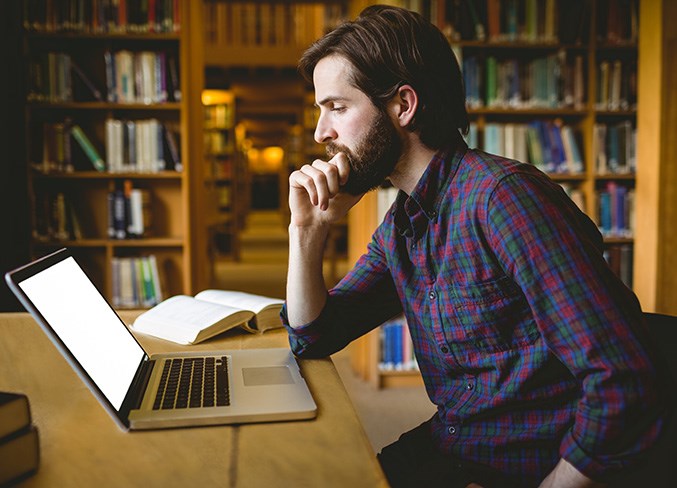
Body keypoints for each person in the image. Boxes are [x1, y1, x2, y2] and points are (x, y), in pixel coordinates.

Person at [282, 5, 669, 488]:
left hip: (533, 464)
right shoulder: (403, 222)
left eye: (336, 107)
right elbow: (313, 336)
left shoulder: (504, 200)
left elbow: (621, 380)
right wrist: (306, 232)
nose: (321, 133)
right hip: (459, 443)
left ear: (403, 105)